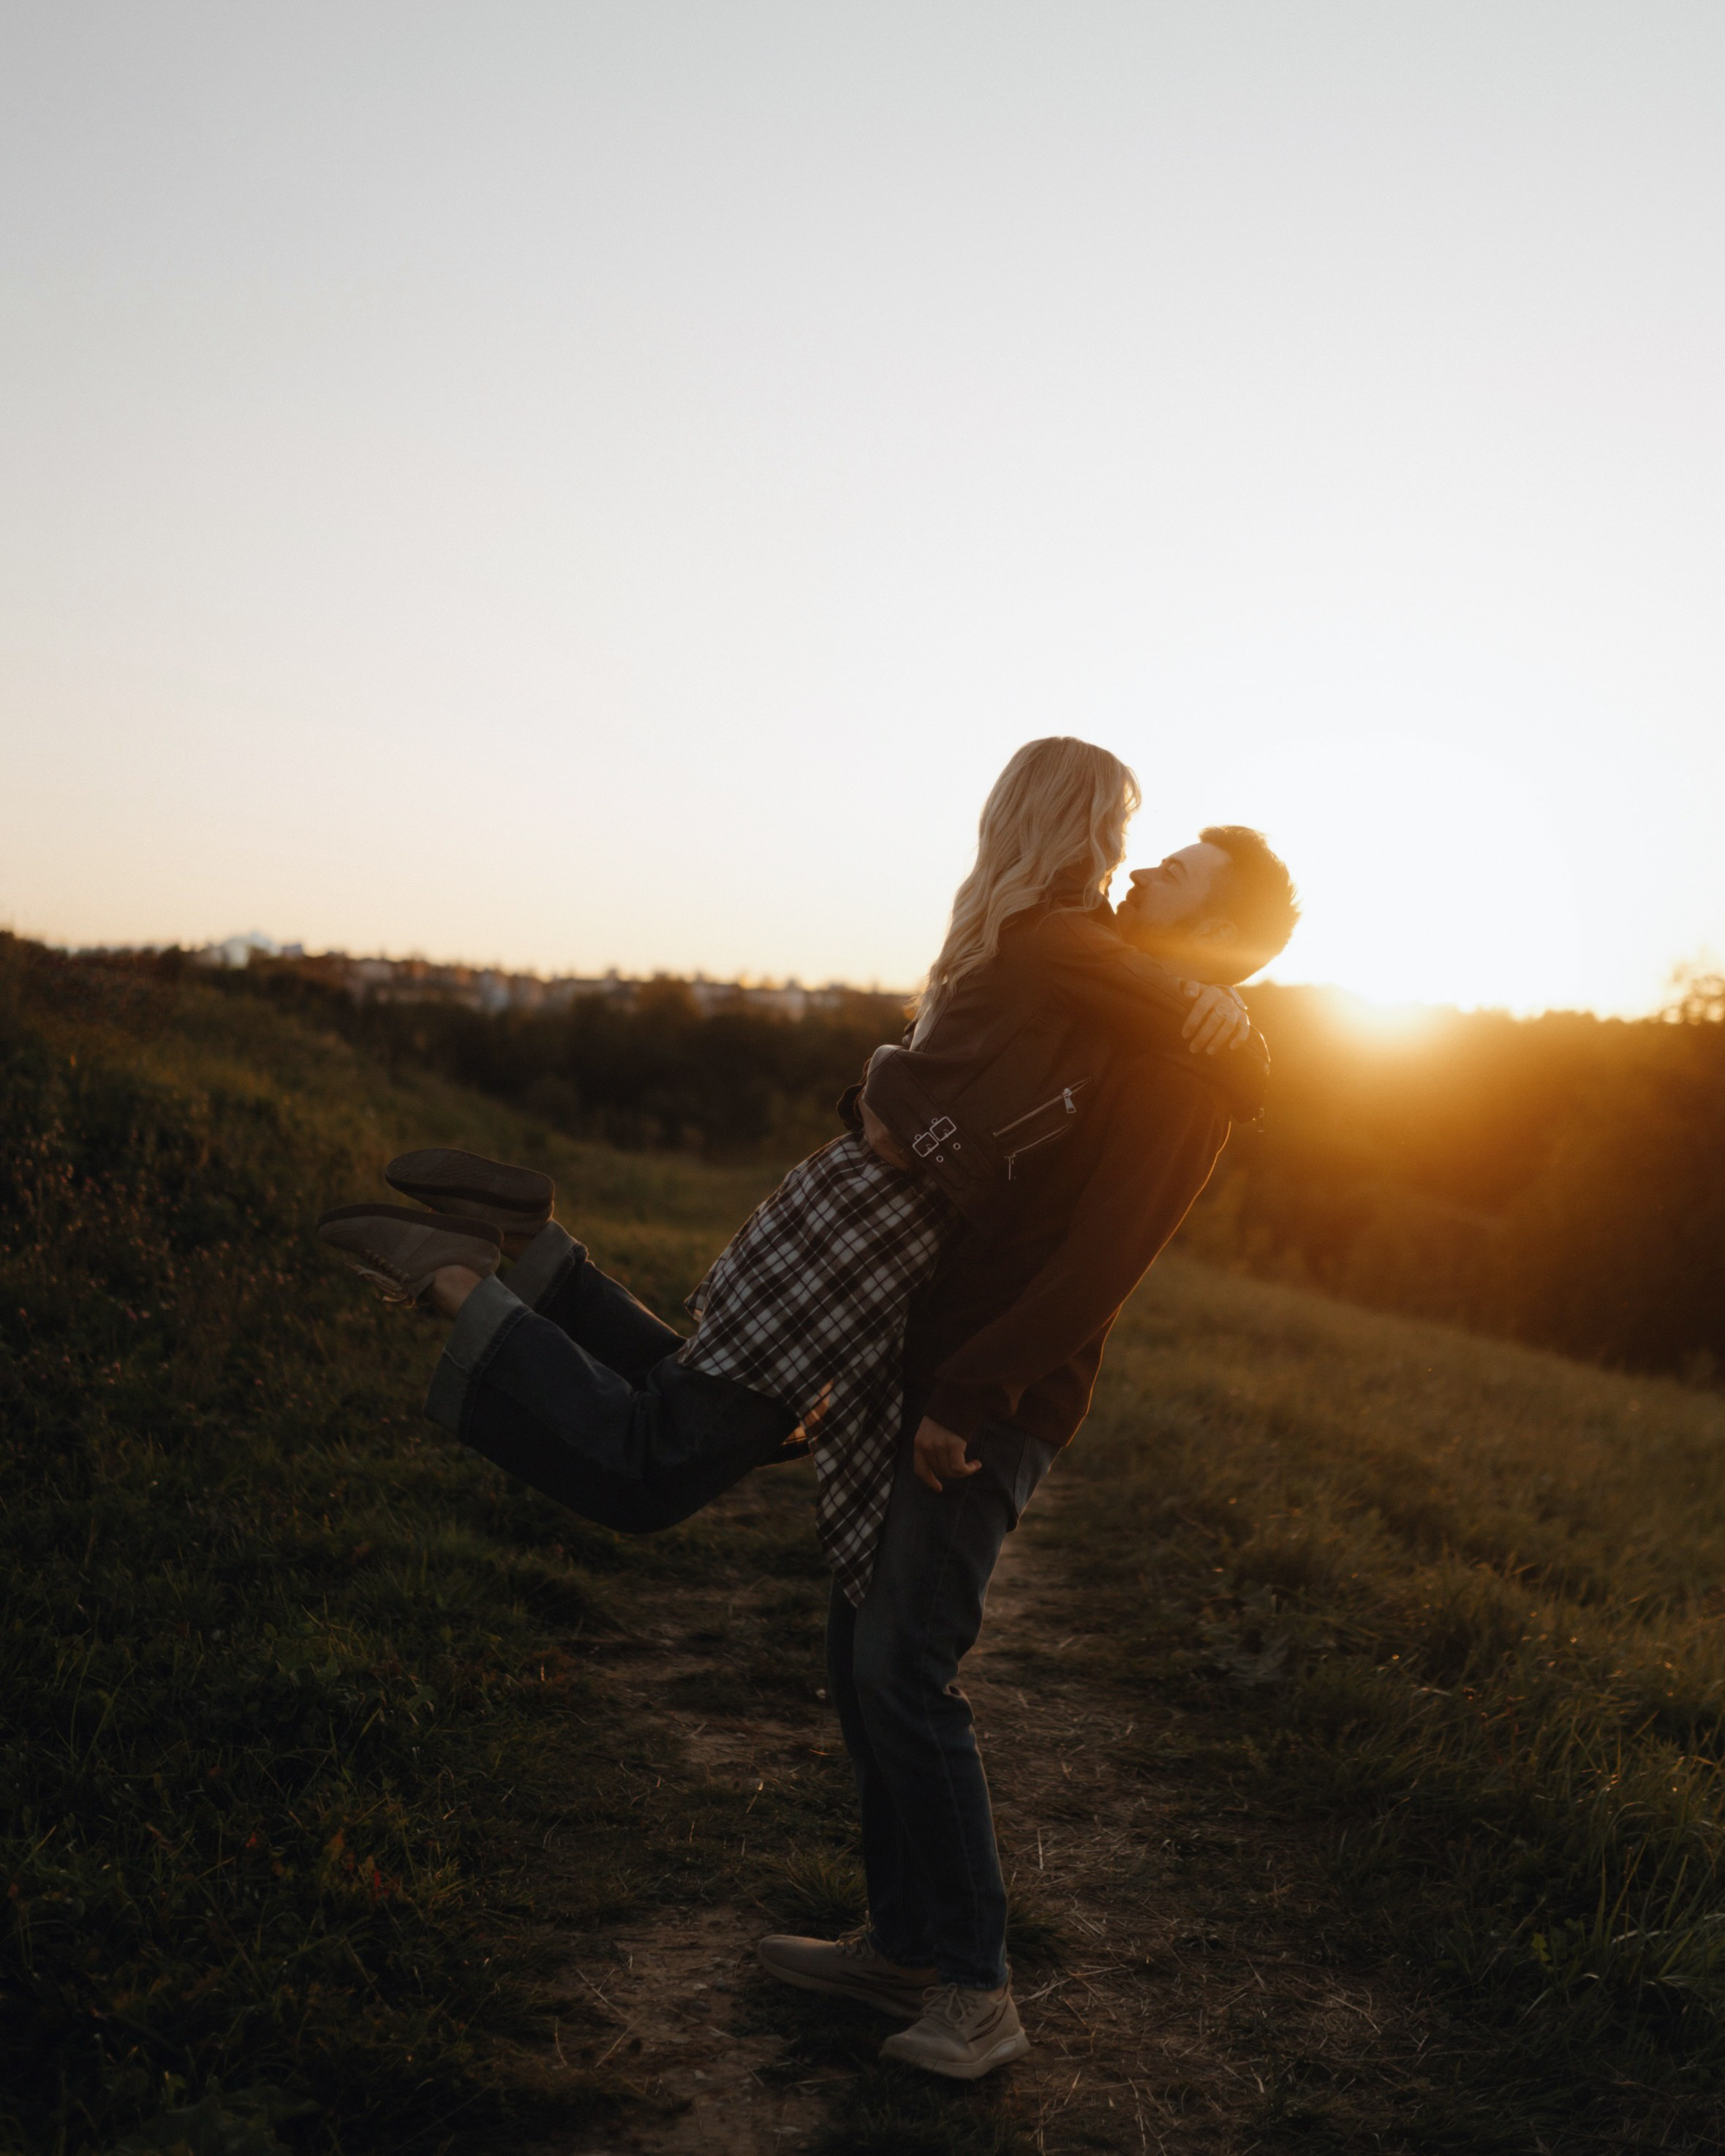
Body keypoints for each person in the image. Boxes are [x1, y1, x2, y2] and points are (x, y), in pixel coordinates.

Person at [756, 825, 1297, 2079]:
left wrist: (971, 1391)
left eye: (1177, 875)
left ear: (1215, 938)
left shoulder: (1184, 1074)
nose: (1143, 871)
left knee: (907, 1668)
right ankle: (900, 1941)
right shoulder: (1118, 1010)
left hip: (990, 1400)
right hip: (924, 1367)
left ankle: (977, 1990)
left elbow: (1098, 1267)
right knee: (858, 1653)